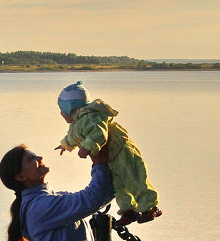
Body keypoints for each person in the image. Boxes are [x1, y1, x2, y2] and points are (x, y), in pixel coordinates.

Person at [55, 81, 161, 226]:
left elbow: (99, 134)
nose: (60, 113)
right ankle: (128, 210)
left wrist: (86, 147)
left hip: (122, 151)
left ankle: (149, 207)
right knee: (118, 185)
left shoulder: (90, 117)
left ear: (70, 107)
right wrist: (65, 145)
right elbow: (73, 137)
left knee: (134, 178)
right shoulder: (77, 124)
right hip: (110, 158)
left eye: (61, 109)